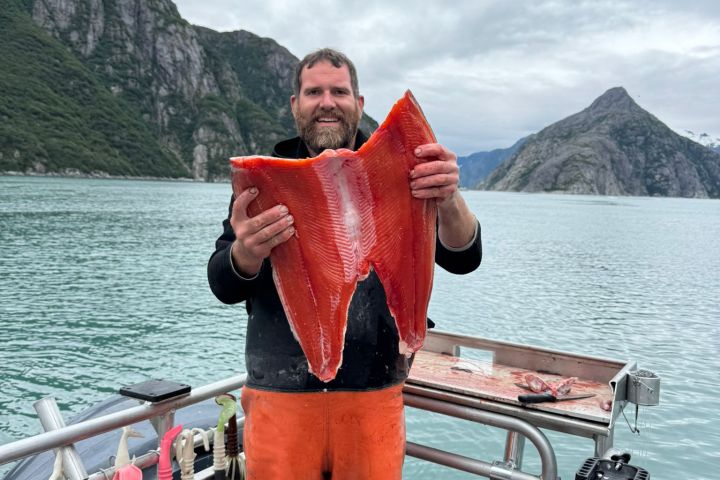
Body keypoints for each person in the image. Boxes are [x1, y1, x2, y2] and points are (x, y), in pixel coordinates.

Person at [207, 48, 482, 480]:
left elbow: (465, 257)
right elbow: (223, 283)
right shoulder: (267, 181)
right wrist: (247, 251)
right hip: (280, 398)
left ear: (359, 103)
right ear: (296, 105)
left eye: (339, 91)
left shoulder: (405, 171)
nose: (327, 102)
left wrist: (448, 199)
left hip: (374, 397)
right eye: (313, 92)